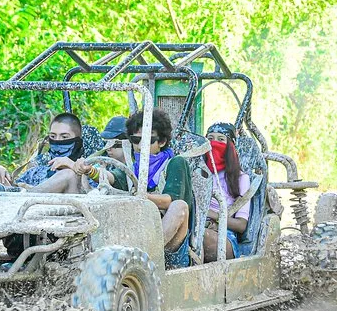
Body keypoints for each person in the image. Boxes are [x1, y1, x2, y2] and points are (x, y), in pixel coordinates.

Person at [125, 109, 193, 268]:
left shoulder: (175, 163)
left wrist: (144, 197)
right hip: (141, 235)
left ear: (161, 142)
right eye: (136, 140)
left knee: (179, 206)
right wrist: (91, 171)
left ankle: (143, 260)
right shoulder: (133, 166)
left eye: (147, 140)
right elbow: (115, 178)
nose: (140, 146)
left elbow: (171, 200)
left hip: (172, 246)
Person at [28, 116, 130, 193]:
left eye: (115, 144)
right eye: (106, 142)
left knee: (68, 175)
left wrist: (76, 167)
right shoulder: (100, 159)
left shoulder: (132, 167)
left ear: (129, 143)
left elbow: (110, 178)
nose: (108, 148)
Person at [0, 112, 84, 187]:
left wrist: (74, 167)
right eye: (52, 136)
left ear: (78, 142)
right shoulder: (37, 172)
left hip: (67, 210)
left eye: (64, 137)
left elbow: (91, 194)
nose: (57, 141)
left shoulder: (87, 172)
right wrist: (0, 172)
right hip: (24, 209)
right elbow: (14, 186)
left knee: (67, 174)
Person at [202, 122, 250, 262]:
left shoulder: (241, 178)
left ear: (231, 146)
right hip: (196, 226)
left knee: (197, 235)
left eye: (221, 139)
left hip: (224, 236)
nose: (214, 143)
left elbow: (241, 225)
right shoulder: (198, 172)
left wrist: (212, 215)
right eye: (210, 139)